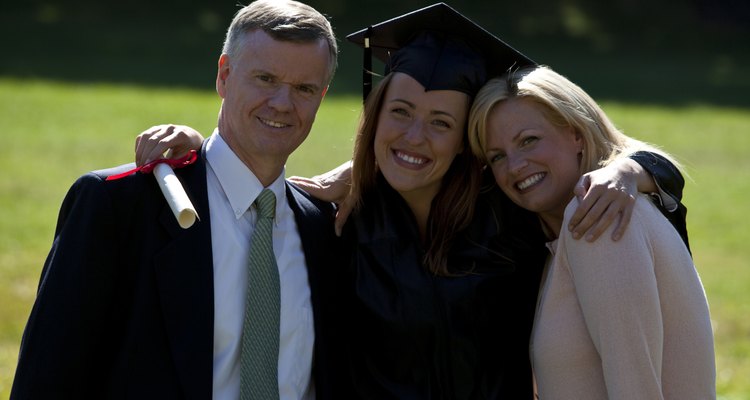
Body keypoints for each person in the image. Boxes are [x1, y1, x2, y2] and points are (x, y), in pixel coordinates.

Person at [133, 4, 689, 399]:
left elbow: (591, 164)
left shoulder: (512, 221)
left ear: (468, 142)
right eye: (399, 114)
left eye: (441, 123)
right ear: (374, 117)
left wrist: (633, 168)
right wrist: (199, 150)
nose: (413, 137)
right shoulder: (337, 225)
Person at [11, 1, 349, 399]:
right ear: (224, 76)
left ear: (322, 96)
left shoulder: (328, 228)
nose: (281, 103)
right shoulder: (118, 207)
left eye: (304, 88)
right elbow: (46, 381)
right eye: (265, 78)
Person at [468, 65, 715, 399]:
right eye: (497, 156)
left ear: (577, 135)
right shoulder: (563, 236)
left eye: (528, 141)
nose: (514, 166)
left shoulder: (599, 216)